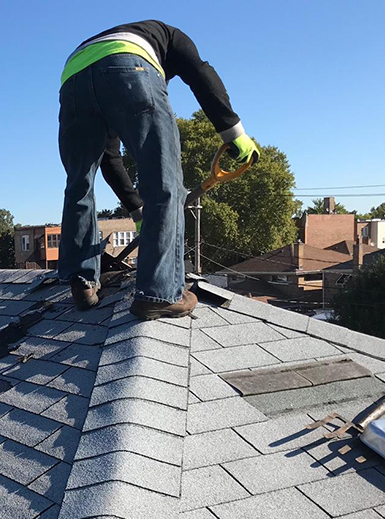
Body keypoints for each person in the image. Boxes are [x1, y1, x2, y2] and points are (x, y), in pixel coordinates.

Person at [58, 21, 260, 319]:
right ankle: (161, 293)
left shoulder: (124, 43)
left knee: (79, 183)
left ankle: (82, 282)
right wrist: (234, 132)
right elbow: (201, 74)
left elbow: (109, 158)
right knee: (164, 181)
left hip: (72, 78)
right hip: (129, 66)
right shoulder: (172, 36)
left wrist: (137, 211)